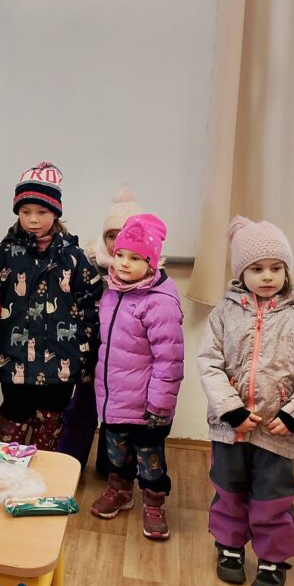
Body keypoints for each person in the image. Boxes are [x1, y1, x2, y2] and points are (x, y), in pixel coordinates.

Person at [198, 217, 294, 586]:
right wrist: (230, 410)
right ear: (241, 272)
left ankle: (273, 560)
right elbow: (209, 363)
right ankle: (229, 545)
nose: (267, 276)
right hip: (230, 428)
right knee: (228, 488)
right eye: (257, 268)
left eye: (276, 267)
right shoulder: (223, 313)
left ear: (286, 269)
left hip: (278, 430)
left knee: (273, 495)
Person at [0, 162, 102, 451]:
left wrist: (85, 355)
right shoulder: (3, 255)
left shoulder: (74, 258)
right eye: (26, 211)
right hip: (14, 359)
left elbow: (92, 307)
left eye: (41, 212)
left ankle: (45, 474)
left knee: (51, 423)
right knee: (13, 419)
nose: (33, 219)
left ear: (55, 213)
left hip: (61, 363)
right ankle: (5, 470)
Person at [90, 213, 184, 542]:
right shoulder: (111, 292)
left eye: (134, 258)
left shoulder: (160, 303)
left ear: (151, 262)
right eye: (119, 255)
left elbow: (169, 360)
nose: (124, 263)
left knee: (149, 458)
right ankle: (120, 489)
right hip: (114, 398)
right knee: (116, 453)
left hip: (147, 406)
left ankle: (154, 503)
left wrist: (159, 405)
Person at [62, 185, 144, 473]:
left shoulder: (146, 277)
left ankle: (111, 469)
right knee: (81, 410)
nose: (117, 242)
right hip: (91, 353)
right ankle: (69, 463)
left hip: (125, 361)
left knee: (117, 416)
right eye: (111, 235)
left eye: (126, 234)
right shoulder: (88, 265)